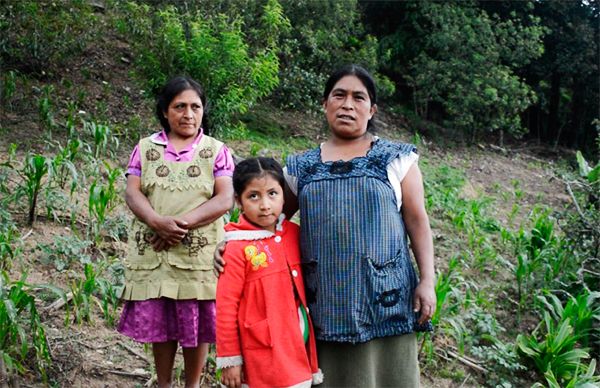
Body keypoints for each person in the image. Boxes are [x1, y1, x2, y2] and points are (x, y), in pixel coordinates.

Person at [216, 64, 436, 387]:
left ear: (371, 109)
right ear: (325, 104)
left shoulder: (397, 159)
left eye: (358, 97)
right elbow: (268, 220)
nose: (348, 104)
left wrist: (428, 279)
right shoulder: (301, 167)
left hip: (387, 299)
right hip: (326, 305)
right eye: (339, 95)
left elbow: (418, 222)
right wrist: (230, 241)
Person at [117, 76, 235, 388]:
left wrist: (177, 225)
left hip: (199, 255)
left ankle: (193, 385)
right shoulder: (145, 148)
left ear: (203, 110)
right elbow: (133, 193)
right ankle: (164, 383)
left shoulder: (216, 150)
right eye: (179, 106)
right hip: (156, 252)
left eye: (195, 106)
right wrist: (156, 221)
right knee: (163, 319)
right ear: (165, 111)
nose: (188, 114)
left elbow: (224, 199)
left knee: (194, 318)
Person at [216, 157, 322, 388]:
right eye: (253, 196)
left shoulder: (295, 234)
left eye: (272, 194)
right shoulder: (236, 247)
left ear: (284, 195)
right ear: (238, 201)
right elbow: (225, 307)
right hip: (261, 352)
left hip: (295, 345)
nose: (265, 205)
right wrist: (230, 359)